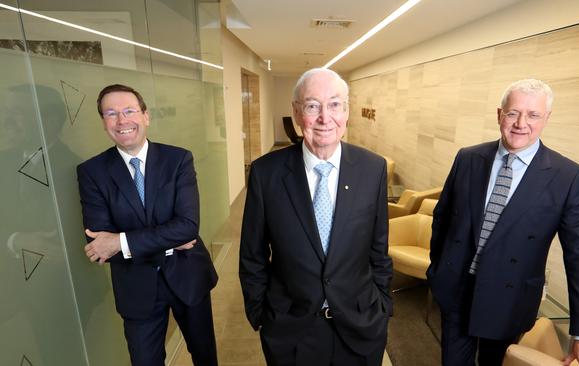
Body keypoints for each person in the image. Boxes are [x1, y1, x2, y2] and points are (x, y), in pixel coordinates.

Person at [427, 79, 579, 366]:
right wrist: (437, 270)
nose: (521, 123)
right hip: (457, 289)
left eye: (533, 115)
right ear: (500, 115)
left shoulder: (566, 177)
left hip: (509, 300)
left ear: (546, 118)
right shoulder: (468, 157)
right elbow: (443, 219)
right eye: (513, 113)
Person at [239, 68, 393, 366]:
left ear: (346, 112)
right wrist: (261, 314)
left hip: (360, 327)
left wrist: (383, 306)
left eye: (335, 104)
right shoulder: (266, 173)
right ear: (297, 113)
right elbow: (252, 256)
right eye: (312, 106)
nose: (325, 117)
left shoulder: (373, 169)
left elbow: (379, 248)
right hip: (291, 331)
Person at [77, 84, 218, 366]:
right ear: (104, 122)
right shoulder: (91, 172)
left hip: (187, 275)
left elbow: (188, 226)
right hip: (136, 287)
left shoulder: (178, 159)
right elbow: (101, 244)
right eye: (111, 113)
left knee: (205, 357)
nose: (122, 120)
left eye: (129, 111)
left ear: (145, 116)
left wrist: (122, 241)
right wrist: (168, 238)